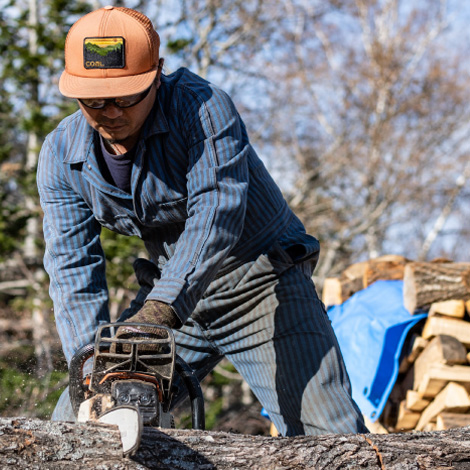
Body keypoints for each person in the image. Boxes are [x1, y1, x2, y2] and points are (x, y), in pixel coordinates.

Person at [37, 5, 368, 436]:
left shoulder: (203, 109)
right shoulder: (61, 156)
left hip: (259, 286)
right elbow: (72, 268)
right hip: (170, 300)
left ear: (156, 74)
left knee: (330, 439)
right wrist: (90, 367)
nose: (111, 112)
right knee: (78, 424)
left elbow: (216, 216)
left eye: (126, 97)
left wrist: (160, 312)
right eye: (94, 101)